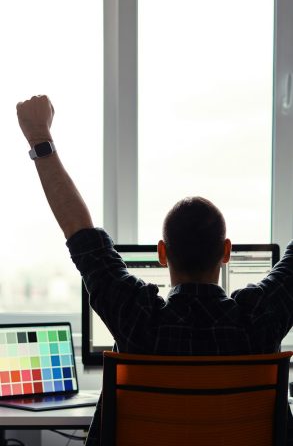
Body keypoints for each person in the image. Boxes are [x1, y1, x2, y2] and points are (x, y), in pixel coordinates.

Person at [16, 95, 293, 444]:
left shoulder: (138, 319)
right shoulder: (259, 319)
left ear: (162, 254)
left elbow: (81, 235)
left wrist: (39, 136)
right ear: (226, 252)